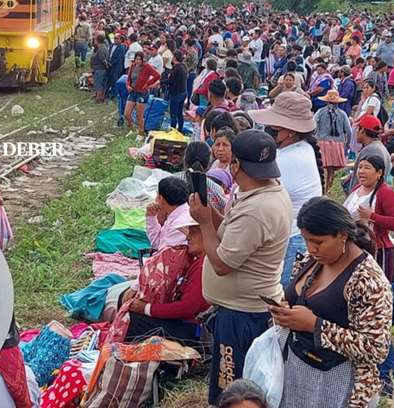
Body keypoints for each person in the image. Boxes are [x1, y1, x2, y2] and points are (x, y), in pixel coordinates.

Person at [189, 129, 292, 405]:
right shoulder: (267, 190)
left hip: (241, 315)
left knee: (232, 389)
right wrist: (211, 214)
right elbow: (234, 231)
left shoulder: (258, 209)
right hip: (244, 309)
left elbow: (222, 263)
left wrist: (204, 224)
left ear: (236, 165)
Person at [271, 197, 391, 408]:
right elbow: (296, 299)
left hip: (342, 385)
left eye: (318, 242)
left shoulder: (368, 280)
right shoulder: (311, 260)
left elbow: (376, 348)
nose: (311, 248)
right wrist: (284, 312)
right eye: (306, 240)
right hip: (298, 369)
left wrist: (315, 325)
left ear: (342, 235)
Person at [249, 92, 324, 285]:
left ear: (290, 131)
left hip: (292, 240)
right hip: (292, 236)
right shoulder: (299, 149)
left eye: (274, 129)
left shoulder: (289, 160)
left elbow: (252, 191)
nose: (269, 132)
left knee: (280, 301)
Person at [119, 216, 209, 345]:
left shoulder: (203, 266)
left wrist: (147, 308)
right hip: (185, 324)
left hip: (192, 331)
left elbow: (186, 307)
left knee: (133, 320)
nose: (188, 237)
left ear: (206, 234)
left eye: (193, 232)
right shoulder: (195, 261)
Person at [344, 156, 394, 282]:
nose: (361, 171)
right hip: (353, 249)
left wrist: (372, 216)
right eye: (360, 167)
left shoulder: (385, 193)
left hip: (378, 252)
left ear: (379, 173)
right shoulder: (356, 190)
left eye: (367, 168)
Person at [314, 90, 351, 191]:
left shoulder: (320, 112)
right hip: (337, 143)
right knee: (332, 170)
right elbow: (348, 131)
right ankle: (329, 189)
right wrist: (347, 145)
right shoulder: (343, 114)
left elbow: (314, 126)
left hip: (322, 142)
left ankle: (322, 189)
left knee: (322, 168)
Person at [175, 141, 228, 212]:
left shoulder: (170, 181)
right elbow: (222, 220)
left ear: (185, 159)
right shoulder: (217, 190)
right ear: (209, 162)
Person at [347, 115, 392, 191]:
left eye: (358, 129)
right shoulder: (380, 147)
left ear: (363, 131)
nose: (356, 132)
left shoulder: (370, 151)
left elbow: (363, 181)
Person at [123, 51, 161, 135]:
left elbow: (157, 76)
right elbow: (128, 79)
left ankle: (141, 133)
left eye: (140, 59)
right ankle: (132, 129)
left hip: (142, 93)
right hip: (133, 91)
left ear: (143, 60)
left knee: (139, 115)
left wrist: (148, 84)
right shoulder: (132, 66)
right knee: (126, 114)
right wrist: (128, 86)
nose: (138, 61)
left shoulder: (147, 67)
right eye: (136, 59)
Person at [167, 50, 188, 132]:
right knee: (179, 112)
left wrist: (161, 81)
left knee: (173, 113)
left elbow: (171, 80)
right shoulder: (183, 66)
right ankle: (180, 129)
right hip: (183, 92)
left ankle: (172, 130)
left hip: (176, 93)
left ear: (175, 57)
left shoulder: (176, 68)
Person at [90, 33, 109, 103]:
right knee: (101, 83)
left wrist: (106, 66)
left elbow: (103, 59)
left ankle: (99, 98)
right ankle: (100, 96)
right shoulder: (104, 47)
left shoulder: (101, 49)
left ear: (97, 41)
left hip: (99, 69)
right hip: (101, 69)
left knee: (98, 83)